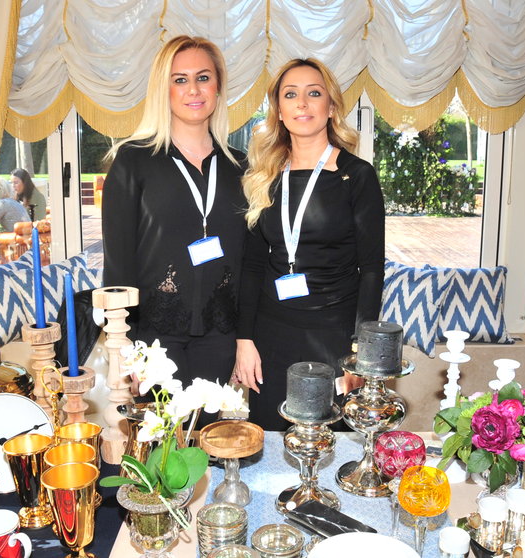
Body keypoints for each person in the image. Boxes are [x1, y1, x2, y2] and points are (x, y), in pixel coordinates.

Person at [233, 58, 385, 431]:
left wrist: (360, 354)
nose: (302, 103)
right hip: (271, 335)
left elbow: (371, 270)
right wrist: (244, 340)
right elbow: (252, 266)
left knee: (329, 445)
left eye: (313, 93)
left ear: (330, 107)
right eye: (290, 95)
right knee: (270, 444)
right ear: (279, 111)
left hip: (334, 338)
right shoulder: (263, 176)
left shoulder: (357, 176)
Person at [102, 36, 247, 398]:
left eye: (203, 77)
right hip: (154, 338)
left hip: (221, 334)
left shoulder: (242, 166)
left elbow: (251, 261)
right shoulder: (133, 160)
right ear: (162, 89)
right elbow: (118, 262)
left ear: (218, 86)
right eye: (180, 79)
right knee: (161, 434)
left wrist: (247, 338)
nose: (193, 90)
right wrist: (127, 346)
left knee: (209, 432)